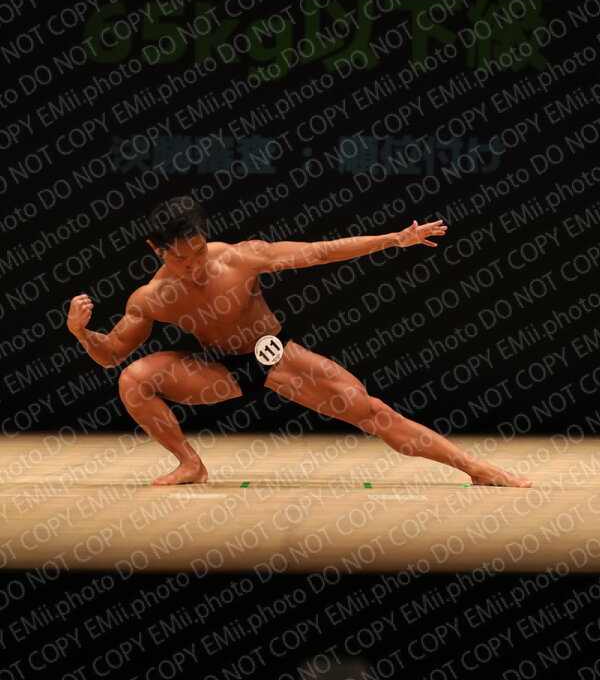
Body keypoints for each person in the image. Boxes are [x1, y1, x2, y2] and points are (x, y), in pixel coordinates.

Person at [66, 195, 532, 487]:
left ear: (205, 238)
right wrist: (82, 333)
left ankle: (475, 468)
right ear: (157, 250)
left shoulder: (242, 259)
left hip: (275, 354)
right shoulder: (151, 298)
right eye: (180, 259)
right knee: (133, 378)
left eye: (199, 252)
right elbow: (110, 355)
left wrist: (394, 239)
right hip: (220, 371)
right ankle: (191, 464)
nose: (193, 265)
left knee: (371, 411)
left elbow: (319, 253)